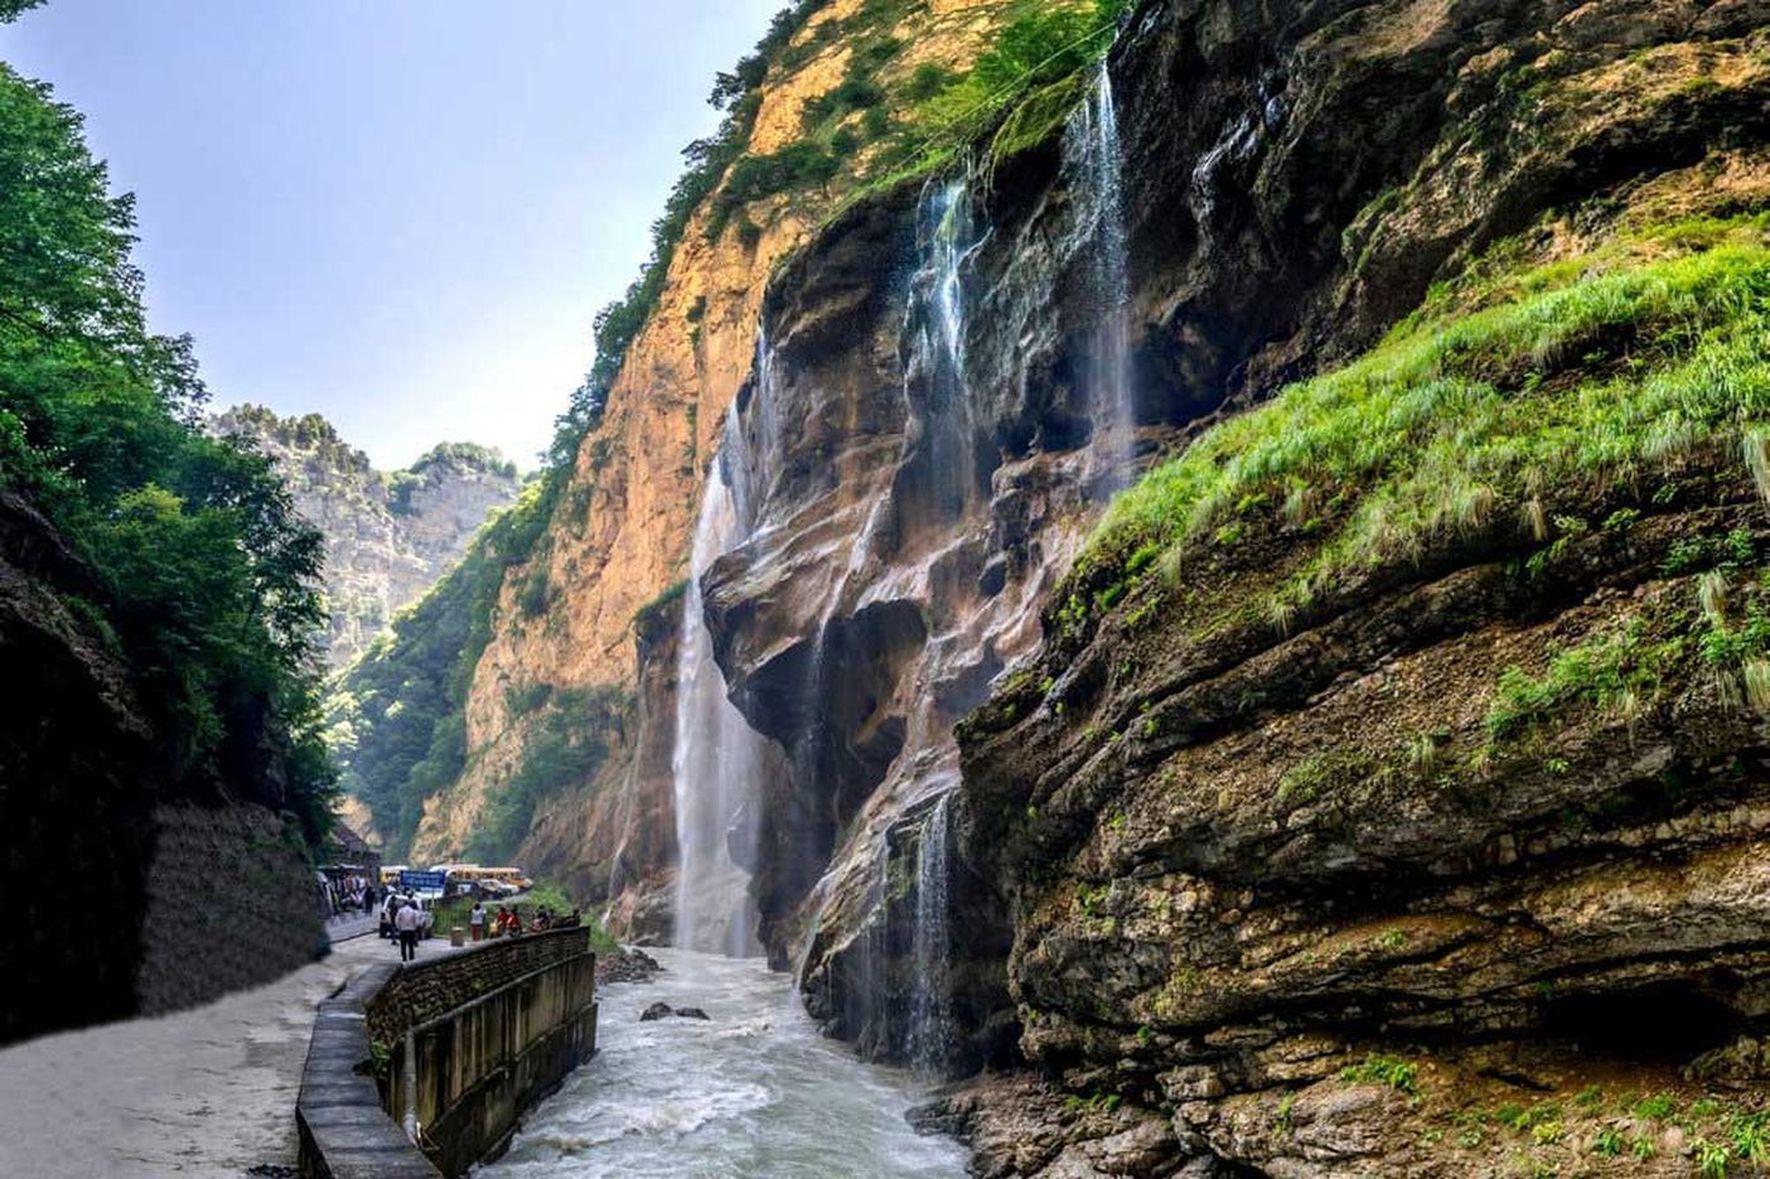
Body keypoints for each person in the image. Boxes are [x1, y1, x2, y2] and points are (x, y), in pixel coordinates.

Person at [394, 898, 421, 962]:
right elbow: (417, 922)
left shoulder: (400, 911)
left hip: (403, 930)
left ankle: (404, 958)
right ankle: (411, 958)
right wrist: (414, 928)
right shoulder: (413, 911)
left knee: (403, 946)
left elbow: (396, 921)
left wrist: (399, 927)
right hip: (411, 930)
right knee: (411, 946)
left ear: (404, 904)